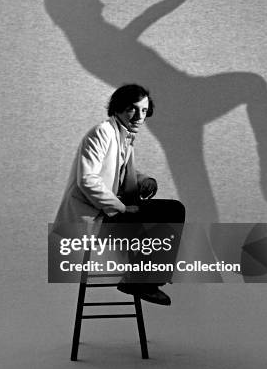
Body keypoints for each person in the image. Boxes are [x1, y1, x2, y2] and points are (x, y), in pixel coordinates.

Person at [53, 84, 185, 305]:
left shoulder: (123, 136)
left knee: (173, 210)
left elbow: (116, 170)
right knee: (161, 217)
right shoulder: (102, 132)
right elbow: (88, 180)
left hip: (106, 214)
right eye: (132, 109)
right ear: (118, 107)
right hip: (93, 218)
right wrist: (122, 208)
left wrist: (144, 180)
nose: (138, 116)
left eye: (143, 110)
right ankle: (140, 280)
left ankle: (142, 279)